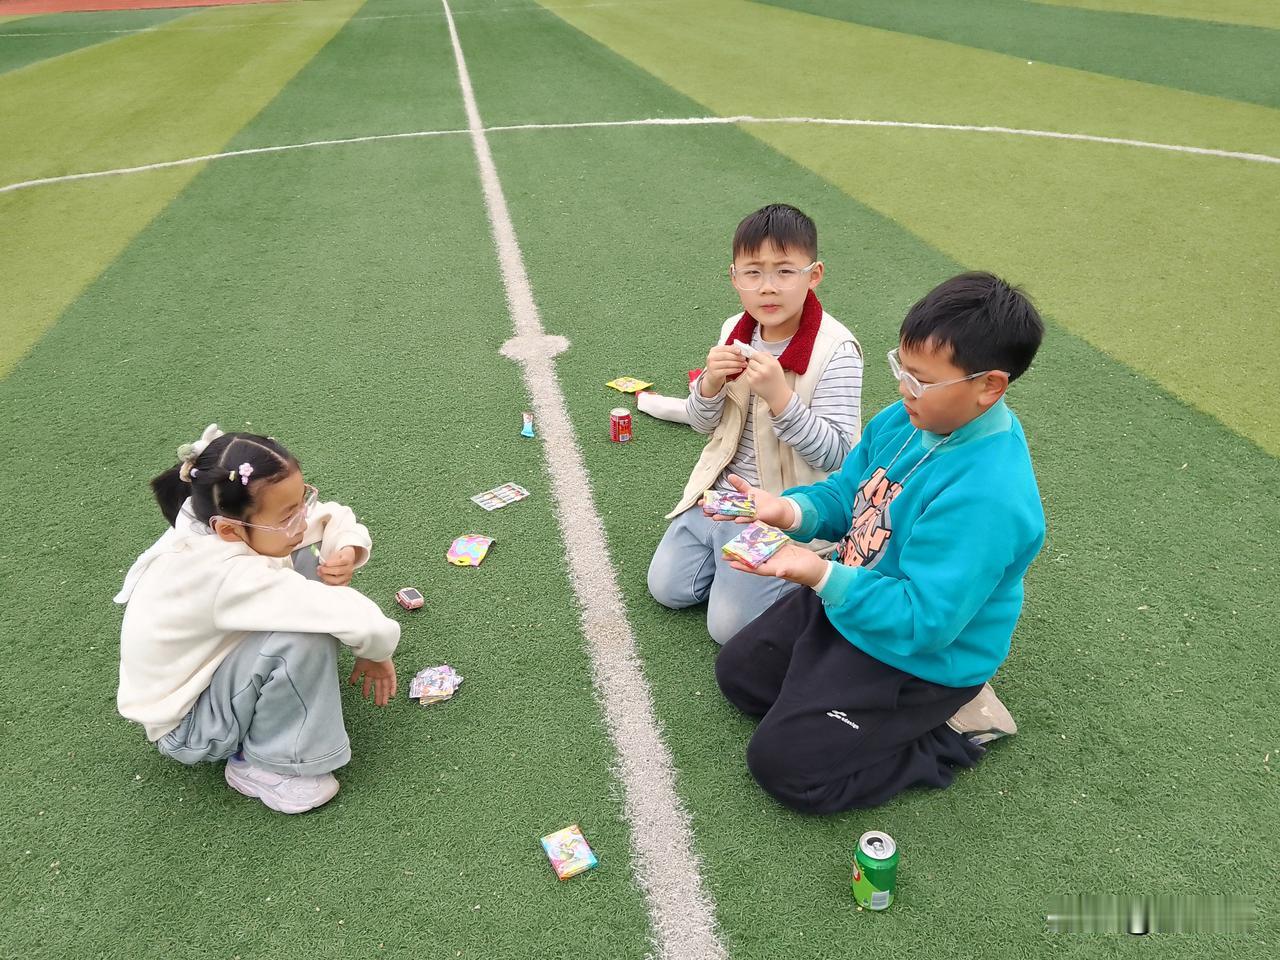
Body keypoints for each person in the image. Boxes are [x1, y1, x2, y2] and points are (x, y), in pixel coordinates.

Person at [714, 272, 1045, 813]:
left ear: (989, 386)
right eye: (903, 369)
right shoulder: (908, 419)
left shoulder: (989, 497)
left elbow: (925, 621)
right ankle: (835, 696)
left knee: (785, 768)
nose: (902, 389)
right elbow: (851, 492)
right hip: (858, 598)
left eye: (921, 380)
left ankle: (950, 730)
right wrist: (788, 509)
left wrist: (818, 574)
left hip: (920, 654)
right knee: (740, 676)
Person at [115, 424, 399, 814]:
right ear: (229, 530)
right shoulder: (224, 573)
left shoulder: (215, 518)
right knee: (303, 638)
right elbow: (362, 622)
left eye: (302, 499)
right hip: (191, 727)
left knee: (297, 557)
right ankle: (267, 766)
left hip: (211, 671)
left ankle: (279, 705)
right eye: (288, 514)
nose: (302, 518)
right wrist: (375, 653)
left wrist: (345, 547)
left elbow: (331, 516)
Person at [648, 203, 863, 643]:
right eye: (753, 273)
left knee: (728, 630)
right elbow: (701, 423)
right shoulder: (735, 330)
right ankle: (730, 562)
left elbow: (840, 454)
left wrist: (781, 399)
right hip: (720, 494)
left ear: (813, 275)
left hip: (779, 509)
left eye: (785, 271)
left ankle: (807, 570)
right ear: (734, 277)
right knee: (667, 589)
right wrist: (708, 383)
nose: (768, 287)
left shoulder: (836, 350)